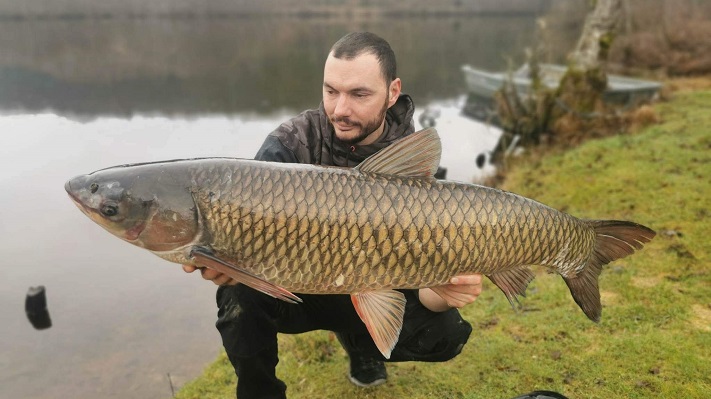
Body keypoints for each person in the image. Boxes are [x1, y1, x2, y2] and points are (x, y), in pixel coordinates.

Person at [183, 32, 484, 399]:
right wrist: (224, 260)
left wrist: (443, 292)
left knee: (446, 336)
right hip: (299, 289)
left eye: (359, 94)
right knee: (237, 297)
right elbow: (245, 223)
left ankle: (362, 346)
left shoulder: (410, 157)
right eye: (331, 91)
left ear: (392, 92)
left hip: (377, 284)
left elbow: (423, 286)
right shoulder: (290, 145)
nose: (340, 109)